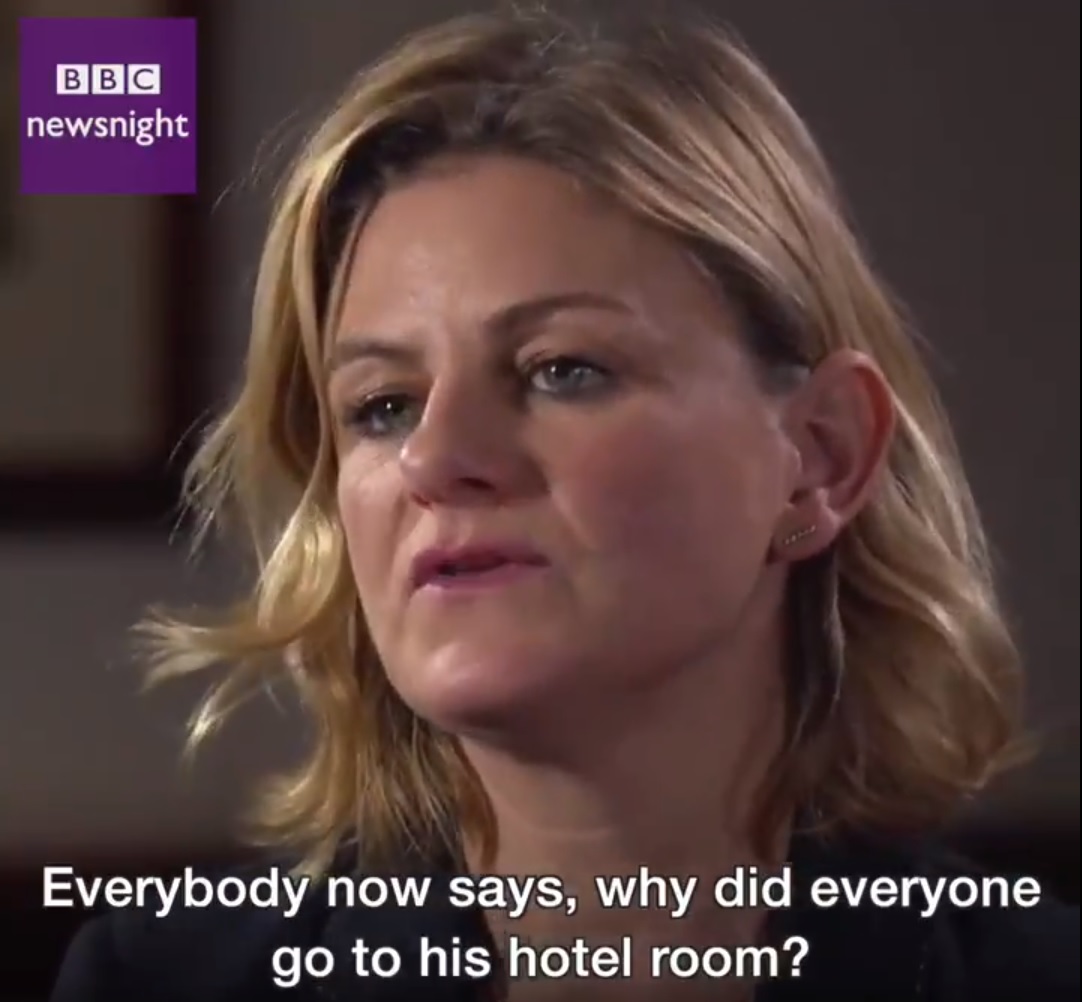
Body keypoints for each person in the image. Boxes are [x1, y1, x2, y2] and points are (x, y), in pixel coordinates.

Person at [51, 6, 1077, 1001]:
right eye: (382, 405)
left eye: (562, 370)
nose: (434, 458)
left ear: (819, 456)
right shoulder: (159, 982)